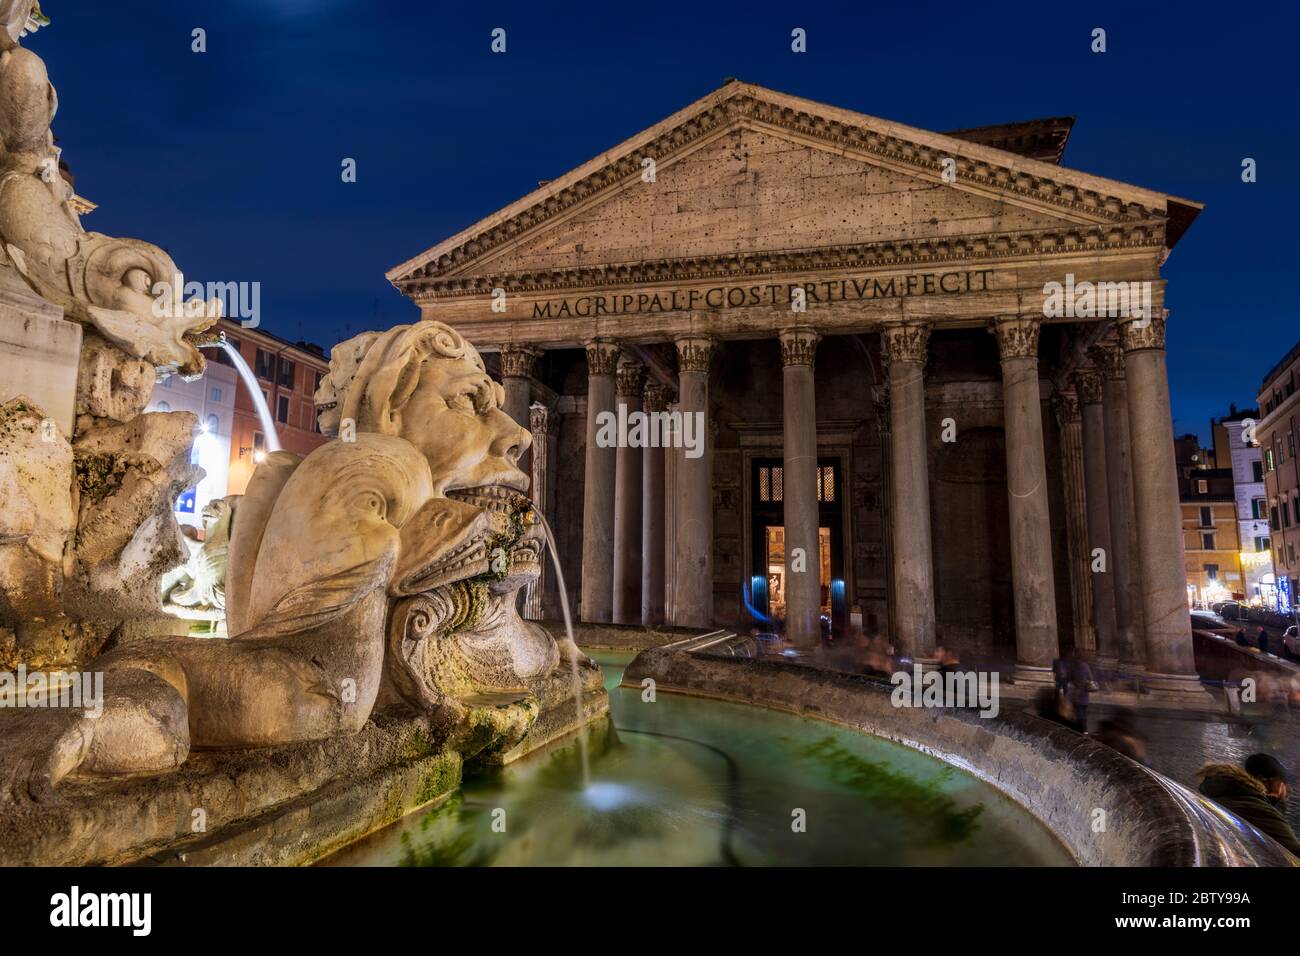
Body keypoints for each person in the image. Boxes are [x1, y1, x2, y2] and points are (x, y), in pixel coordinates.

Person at [1198, 754, 1300, 858]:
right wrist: (1278, 804)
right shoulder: (1257, 810)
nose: (1287, 789)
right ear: (1264, 780)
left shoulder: (1225, 791)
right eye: (1281, 782)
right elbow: (1293, 852)